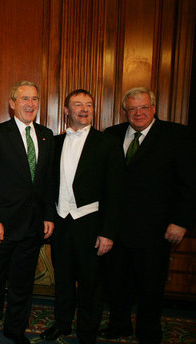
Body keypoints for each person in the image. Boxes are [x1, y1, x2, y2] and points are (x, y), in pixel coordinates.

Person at [99, 87, 196, 344]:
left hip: (156, 229)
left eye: (143, 107)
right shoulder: (112, 135)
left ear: (154, 108)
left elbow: (190, 183)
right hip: (117, 229)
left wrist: (181, 221)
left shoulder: (177, 135)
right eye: (132, 108)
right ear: (125, 111)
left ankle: (148, 331)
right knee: (117, 283)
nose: (138, 113)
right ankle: (119, 325)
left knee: (151, 286)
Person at [40, 89, 124, 344]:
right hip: (62, 222)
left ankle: (87, 330)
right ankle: (62, 323)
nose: (84, 109)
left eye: (89, 104)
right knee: (63, 278)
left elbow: (115, 191)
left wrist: (108, 232)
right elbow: (45, 186)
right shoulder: (54, 143)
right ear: (66, 111)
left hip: (91, 222)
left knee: (91, 281)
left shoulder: (107, 142)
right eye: (78, 104)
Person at [0, 80, 55, 344]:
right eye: (24, 99)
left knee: (23, 285)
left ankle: (15, 330)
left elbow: (47, 182)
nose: (30, 104)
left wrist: (48, 217)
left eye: (34, 99)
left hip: (33, 227)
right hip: (3, 226)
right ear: (12, 104)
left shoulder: (46, 135)